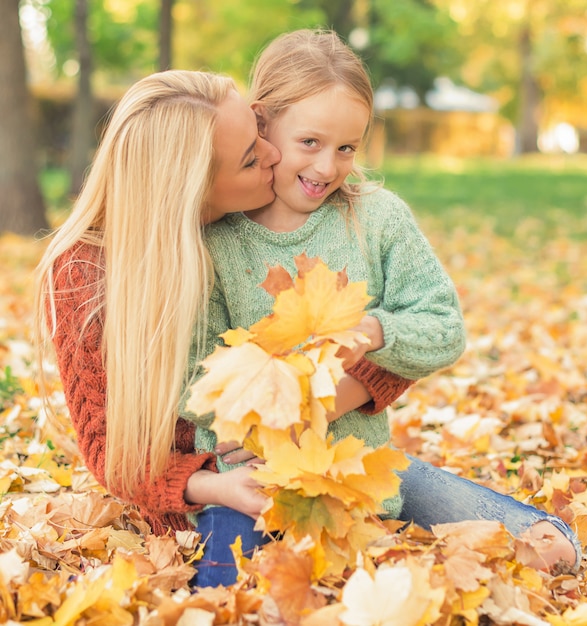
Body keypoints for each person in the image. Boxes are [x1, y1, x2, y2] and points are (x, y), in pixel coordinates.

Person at [189, 29, 580, 580]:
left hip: (363, 471)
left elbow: (443, 326)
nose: (327, 167)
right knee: (239, 588)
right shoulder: (217, 236)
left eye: (346, 147)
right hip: (254, 478)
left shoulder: (375, 217)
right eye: (310, 143)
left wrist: (376, 330)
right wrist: (261, 432)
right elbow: (194, 377)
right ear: (262, 123)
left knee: (553, 552)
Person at [33, 70, 414, 588]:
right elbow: (110, 452)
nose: (273, 154)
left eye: (260, 131)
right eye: (252, 157)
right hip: (212, 494)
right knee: (235, 593)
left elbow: (400, 334)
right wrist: (216, 486)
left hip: (322, 456)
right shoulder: (86, 275)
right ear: (191, 188)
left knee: (539, 536)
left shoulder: (267, 219)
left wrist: (324, 404)